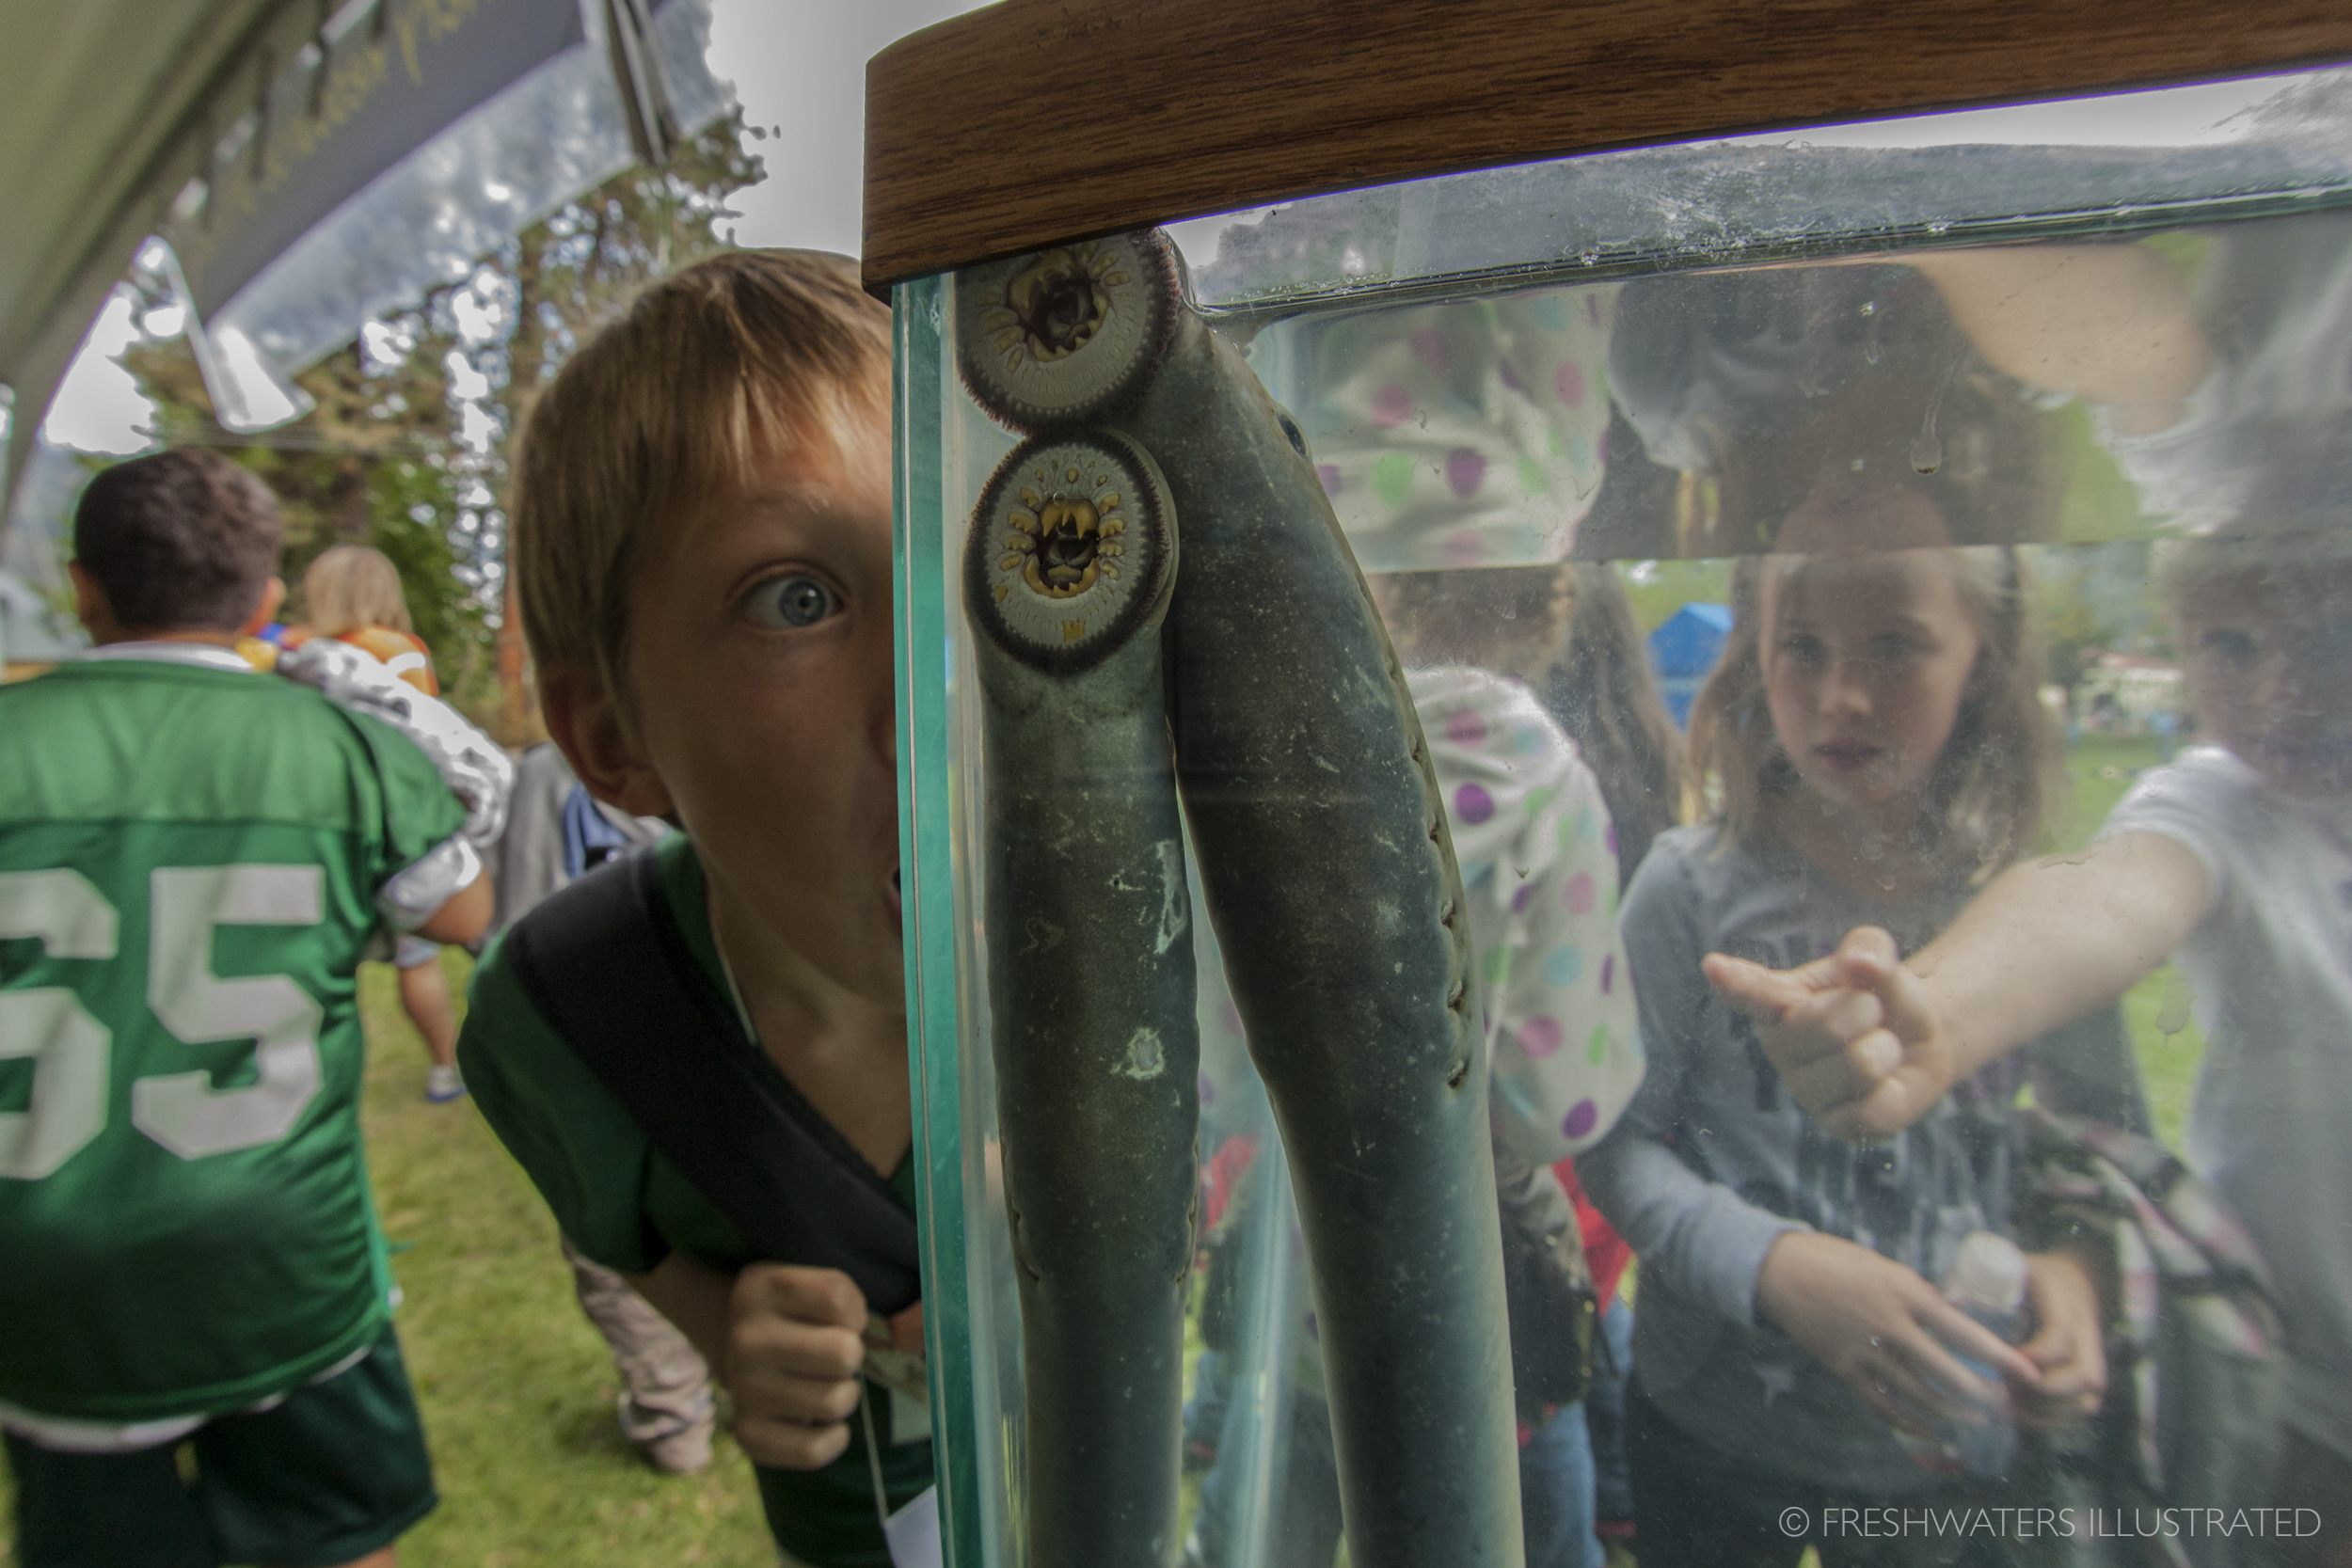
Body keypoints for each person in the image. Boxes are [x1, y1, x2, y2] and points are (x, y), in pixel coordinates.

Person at [1707, 477, 2352, 1568]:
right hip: (2306, 1400)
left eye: (2332, 634)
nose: (2285, 686)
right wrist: (1940, 1016)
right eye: (2233, 645)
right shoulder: (2220, 804)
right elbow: (2099, 895)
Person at [455, 250, 927, 1567]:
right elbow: (649, 1247)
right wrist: (736, 1334)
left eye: (972, 558)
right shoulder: (572, 1015)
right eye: (798, 597)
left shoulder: (1127, 939)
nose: (943, 686)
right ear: (614, 742)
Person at [1577, 473, 2124, 1568]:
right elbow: (1615, 1137)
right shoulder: (1690, 890)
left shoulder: (2030, 904)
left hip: (1949, 1452)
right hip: (1711, 1433)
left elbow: (2097, 1138)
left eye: (1894, 645)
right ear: (1754, 653)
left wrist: (2074, 1274)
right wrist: (1772, 1263)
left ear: (1984, 654)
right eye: (1803, 646)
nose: (1839, 696)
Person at [0, 448, 492, 1568]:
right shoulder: (336, 747)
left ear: (83, 587)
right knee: (335, 1533)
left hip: (38, 1253)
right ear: (267, 599)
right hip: (278, 1250)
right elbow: (464, 909)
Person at [294, 544, 466, 1102]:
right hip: (399, 819)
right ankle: (446, 1068)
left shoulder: (304, 656)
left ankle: (310, 1078)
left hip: (325, 818)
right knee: (417, 959)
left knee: (321, 959)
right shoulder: (404, 652)